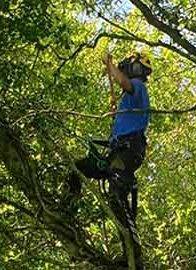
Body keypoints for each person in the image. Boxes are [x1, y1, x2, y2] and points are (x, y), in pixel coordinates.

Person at [67, 51, 151, 268]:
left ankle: (133, 251)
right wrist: (117, 113)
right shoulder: (129, 100)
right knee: (78, 167)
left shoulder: (138, 87)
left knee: (116, 194)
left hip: (128, 150)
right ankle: (67, 209)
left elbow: (124, 82)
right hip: (117, 151)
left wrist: (109, 64)